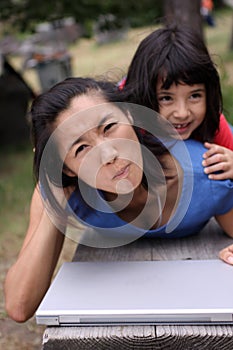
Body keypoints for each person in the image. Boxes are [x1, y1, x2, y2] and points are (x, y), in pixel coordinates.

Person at [4, 77, 233, 323]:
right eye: (81, 149)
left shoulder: (208, 173)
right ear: (67, 169)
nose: (109, 153)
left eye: (109, 127)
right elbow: (19, 306)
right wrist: (53, 200)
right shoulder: (67, 191)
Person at [120, 24, 233, 180]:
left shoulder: (214, 122)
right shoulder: (123, 120)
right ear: (144, 96)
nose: (182, 113)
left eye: (194, 96)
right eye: (166, 98)